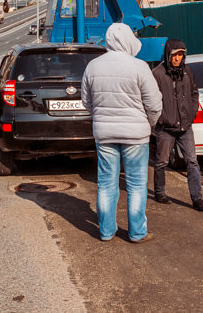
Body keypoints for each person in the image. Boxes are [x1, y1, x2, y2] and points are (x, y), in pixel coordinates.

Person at [81, 23, 163, 243]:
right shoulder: (139, 67)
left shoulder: (93, 67)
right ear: (128, 40)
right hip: (136, 135)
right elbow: (154, 104)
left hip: (104, 134)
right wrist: (150, 125)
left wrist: (101, 117)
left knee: (106, 183)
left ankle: (106, 231)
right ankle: (137, 233)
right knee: (136, 185)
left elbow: (86, 102)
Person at [152, 39, 203, 211]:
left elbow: (194, 93)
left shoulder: (188, 72)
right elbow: (151, 98)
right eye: (175, 55)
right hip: (166, 127)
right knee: (162, 162)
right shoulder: (158, 73)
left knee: (192, 162)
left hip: (185, 127)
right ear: (168, 55)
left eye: (181, 55)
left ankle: (197, 198)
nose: (178, 58)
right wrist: (160, 118)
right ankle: (160, 192)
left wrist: (191, 113)